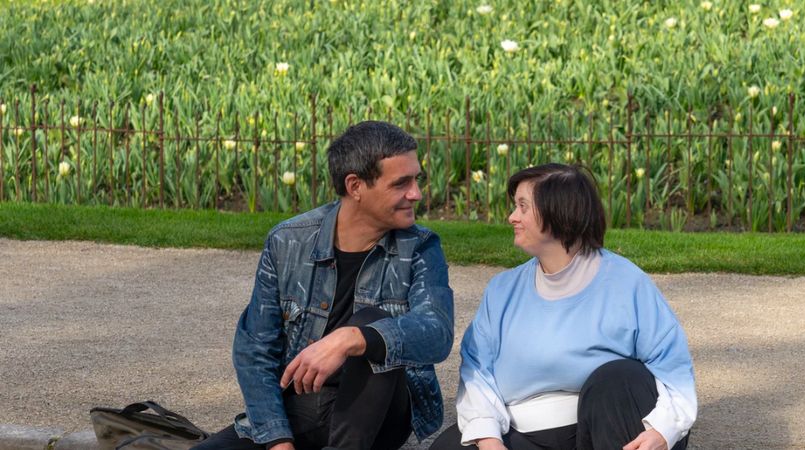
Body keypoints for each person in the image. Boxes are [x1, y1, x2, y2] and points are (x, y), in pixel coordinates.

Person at [193, 121, 454, 450]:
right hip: (300, 410)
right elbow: (255, 350)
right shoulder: (287, 242)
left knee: (371, 321)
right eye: (401, 183)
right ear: (355, 185)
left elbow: (436, 332)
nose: (416, 193)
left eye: (416, 180)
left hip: (379, 415)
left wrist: (353, 338)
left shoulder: (420, 247)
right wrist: (277, 440)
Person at [430, 163, 696, 450]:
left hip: (612, 428)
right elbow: (477, 373)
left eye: (523, 207)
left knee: (619, 377)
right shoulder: (501, 290)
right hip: (525, 434)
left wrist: (663, 430)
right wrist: (490, 440)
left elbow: (674, 368)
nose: (511, 217)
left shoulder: (626, 282)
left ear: (559, 211)